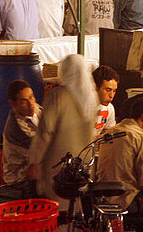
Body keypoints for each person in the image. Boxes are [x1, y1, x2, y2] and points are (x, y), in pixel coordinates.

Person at [27, 54, 98, 202]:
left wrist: (34, 161)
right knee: (74, 204)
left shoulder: (57, 95)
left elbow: (45, 132)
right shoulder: (91, 98)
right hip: (81, 165)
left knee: (55, 205)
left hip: (57, 164)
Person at [0, 79, 39, 194]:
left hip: (38, 167)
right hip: (20, 178)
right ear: (13, 103)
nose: (31, 103)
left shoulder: (37, 109)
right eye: (23, 101)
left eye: (31, 97)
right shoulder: (17, 128)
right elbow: (42, 148)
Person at [92, 65, 119, 134]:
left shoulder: (109, 108)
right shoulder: (81, 108)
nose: (111, 95)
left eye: (114, 91)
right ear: (96, 87)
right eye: (107, 90)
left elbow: (109, 133)